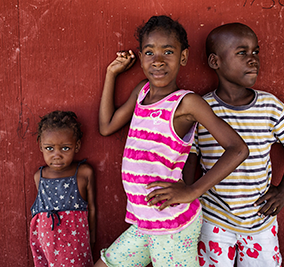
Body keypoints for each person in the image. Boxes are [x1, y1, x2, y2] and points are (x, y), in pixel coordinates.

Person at [95, 15, 249, 267]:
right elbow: (106, 126)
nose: (157, 61)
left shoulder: (186, 103)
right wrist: (111, 73)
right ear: (141, 57)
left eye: (168, 51)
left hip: (172, 226)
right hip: (145, 223)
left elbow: (238, 149)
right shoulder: (142, 91)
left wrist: (193, 190)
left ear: (183, 57)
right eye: (149, 52)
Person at [186, 23, 284, 266]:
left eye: (256, 52)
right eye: (242, 53)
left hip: (261, 219)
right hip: (214, 219)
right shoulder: (201, 109)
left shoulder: (270, 106)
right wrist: (188, 200)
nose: (253, 60)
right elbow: (190, 157)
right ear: (215, 61)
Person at [30, 110, 96, 267]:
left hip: (76, 247)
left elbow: (92, 208)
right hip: (49, 248)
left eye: (65, 148)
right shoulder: (40, 177)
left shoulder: (84, 173)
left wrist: (92, 238)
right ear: (40, 147)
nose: (57, 155)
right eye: (49, 148)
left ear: (76, 146)